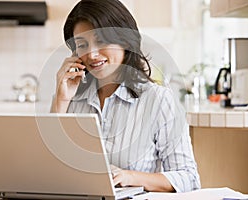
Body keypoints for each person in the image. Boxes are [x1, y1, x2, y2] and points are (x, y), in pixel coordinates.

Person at [51, 0, 200, 193]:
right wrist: (61, 101)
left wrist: (130, 177)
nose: (92, 54)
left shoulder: (158, 99)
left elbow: (189, 178)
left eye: (102, 40)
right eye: (82, 45)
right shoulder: (69, 98)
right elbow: (48, 171)